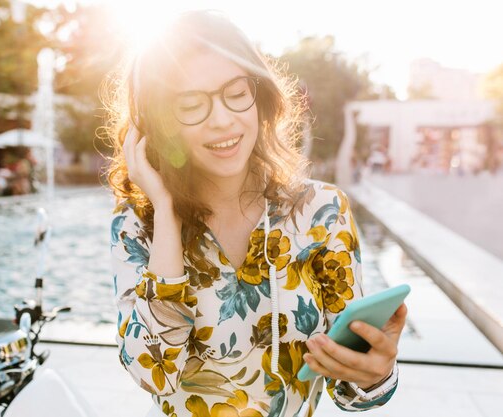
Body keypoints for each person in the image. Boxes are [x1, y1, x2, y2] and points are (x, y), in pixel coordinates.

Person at [106, 11, 407, 417]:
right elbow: (152, 373)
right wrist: (166, 211)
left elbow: (348, 390)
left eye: (236, 92)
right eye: (191, 104)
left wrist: (375, 372)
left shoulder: (322, 212)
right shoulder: (137, 224)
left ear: (259, 95)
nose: (223, 119)